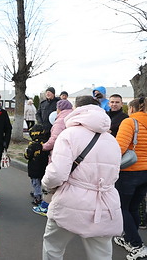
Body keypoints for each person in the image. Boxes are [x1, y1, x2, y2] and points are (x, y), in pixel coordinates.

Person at [42, 95, 122, 260]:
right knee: (101, 253)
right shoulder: (112, 140)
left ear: (77, 110)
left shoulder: (69, 134)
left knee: (53, 247)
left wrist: (46, 183)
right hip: (104, 203)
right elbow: (114, 175)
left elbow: (57, 173)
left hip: (70, 201)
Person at [114, 97, 147, 260]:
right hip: (145, 172)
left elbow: (118, 148)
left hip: (129, 171)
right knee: (133, 207)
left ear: (133, 109)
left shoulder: (130, 122)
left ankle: (137, 245)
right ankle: (129, 237)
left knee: (122, 208)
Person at [32, 99, 73, 216]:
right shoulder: (73, 118)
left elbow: (54, 139)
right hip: (72, 155)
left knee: (51, 182)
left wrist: (43, 147)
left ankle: (46, 207)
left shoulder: (60, 120)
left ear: (59, 108)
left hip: (58, 154)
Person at [24, 124, 50, 207]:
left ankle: (37, 197)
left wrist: (26, 152)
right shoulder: (46, 144)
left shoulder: (33, 145)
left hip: (34, 168)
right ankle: (41, 193)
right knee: (42, 181)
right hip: (44, 167)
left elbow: (27, 155)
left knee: (35, 182)